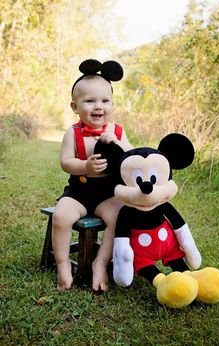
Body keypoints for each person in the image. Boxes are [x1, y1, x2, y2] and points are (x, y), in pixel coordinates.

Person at [52, 59, 133, 292]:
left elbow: (130, 156)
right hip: (78, 192)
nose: (98, 106)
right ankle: (63, 264)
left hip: (108, 194)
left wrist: (117, 143)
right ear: (75, 106)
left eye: (104, 101)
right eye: (90, 101)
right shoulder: (73, 132)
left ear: (112, 104)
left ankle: (101, 263)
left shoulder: (117, 131)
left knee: (118, 219)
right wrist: (85, 167)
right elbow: (66, 162)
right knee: (61, 216)